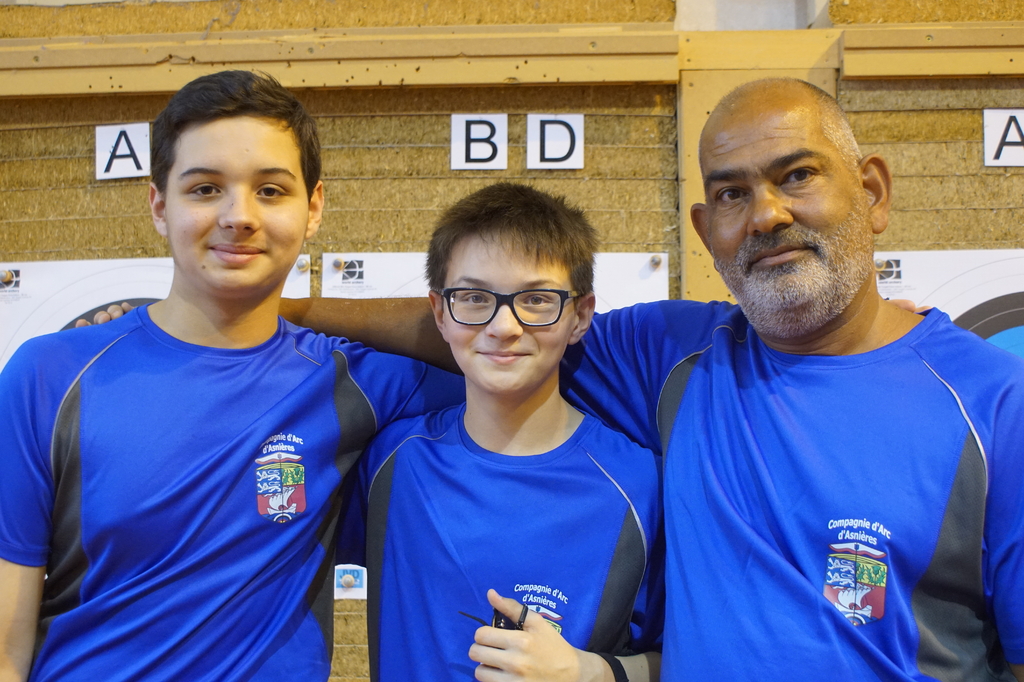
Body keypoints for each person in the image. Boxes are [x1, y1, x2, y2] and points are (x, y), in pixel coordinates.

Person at [280, 79, 1024, 681]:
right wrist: (262, 307)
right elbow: (496, 326)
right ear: (705, 229)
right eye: (732, 193)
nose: (766, 214)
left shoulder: (996, 404)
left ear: (873, 192)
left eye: (797, 175)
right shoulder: (670, 355)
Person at [0, 70, 460, 682]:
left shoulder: (357, 383)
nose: (239, 216)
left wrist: (294, 308)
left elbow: (512, 343)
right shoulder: (48, 376)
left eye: (270, 190)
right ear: (159, 206)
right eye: (205, 189)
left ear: (313, 207)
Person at [338, 182, 662, 682]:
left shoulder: (641, 486)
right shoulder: (389, 462)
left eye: (536, 299)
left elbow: (690, 659)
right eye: (474, 297)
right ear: (440, 313)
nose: (504, 326)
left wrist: (592, 672)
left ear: (580, 316)